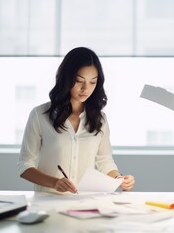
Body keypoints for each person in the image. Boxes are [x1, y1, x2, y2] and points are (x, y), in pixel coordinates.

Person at [17, 47, 135, 194]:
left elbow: (105, 161)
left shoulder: (100, 119)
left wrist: (119, 178)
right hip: (47, 202)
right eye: (79, 81)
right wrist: (55, 183)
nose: (86, 88)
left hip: (85, 202)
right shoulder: (39, 115)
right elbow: (24, 165)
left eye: (93, 82)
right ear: (66, 78)